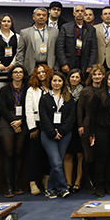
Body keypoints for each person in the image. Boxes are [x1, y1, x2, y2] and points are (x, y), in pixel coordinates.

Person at [39, 71, 75, 199]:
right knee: (57, 162)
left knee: (56, 164)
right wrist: (53, 132)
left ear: (63, 82)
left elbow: (71, 117)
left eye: (59, 81)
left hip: (64, 135)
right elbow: (43, 117)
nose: (57, 83)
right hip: (48, 135)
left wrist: (62, 131)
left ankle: (50, 189)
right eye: (54, 80)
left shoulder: (69, 98)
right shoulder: (45, 98)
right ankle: (63, 188)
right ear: (51, 82)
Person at [0, 65, 28, 197]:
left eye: (20, 72)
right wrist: (13, 123)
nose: (18, 74)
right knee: (9, 154)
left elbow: (31, 107)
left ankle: (16, 183)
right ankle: (8, 185)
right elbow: (2, 108)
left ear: (24, 74)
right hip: (7, 120)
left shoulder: (28, 89)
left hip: (23, 120)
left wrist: (21, 121)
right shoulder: (4, 90)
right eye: (15, 72)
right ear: (11, 75)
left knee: (19, 153)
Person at [25, 64, 53, 195]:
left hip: (51, 126)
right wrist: (32, 128)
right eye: (39, 72)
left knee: (49, 154)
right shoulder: (32, 90)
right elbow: (28, 110)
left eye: (43, 72)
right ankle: (32, 182)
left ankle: (46, 178)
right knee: (35, 155)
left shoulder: (53, 88)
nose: (41, 74)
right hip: (37, 124)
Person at [77, 65, 106, 194]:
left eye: (99, 74)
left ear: (103, 76)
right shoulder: (86, 91)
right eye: (95, 74)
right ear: (91, 76)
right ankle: (87, 182)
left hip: (102, 124)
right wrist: (80, 125)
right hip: (88, 124)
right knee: (88, 154)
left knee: (99, 154)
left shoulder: (106, 90)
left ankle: (97, 182)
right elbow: (79, 109)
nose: (97, 77)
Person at [56, 4, 97, 74]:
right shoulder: (66, 27)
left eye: (82, 11)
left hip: (85, 63)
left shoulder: (91, 29)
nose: (80, 13)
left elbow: (94, 49)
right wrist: (63, 63)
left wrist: (90, 65)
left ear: (84, 13)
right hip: (69, 62)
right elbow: (60, 47)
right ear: (74, 13)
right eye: (77, 11)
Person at [64, 69, 84, 192]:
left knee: (80, 155)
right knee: (68, 154)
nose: (74, 79)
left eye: (77, 77)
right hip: (67, 126)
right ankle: (68, 183)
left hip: (80, 126)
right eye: (72, 77)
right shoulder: (64, 91)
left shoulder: (84, 91)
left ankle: (78, 182)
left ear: (81, 79)